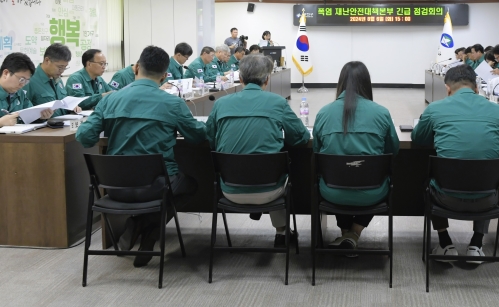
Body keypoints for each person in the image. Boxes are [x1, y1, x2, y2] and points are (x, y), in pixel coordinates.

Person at [76, 46, 208, 267]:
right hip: (156, 186)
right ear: (165, 76)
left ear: (136, 67)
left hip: (115, 187)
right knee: (191, 184)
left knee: (167, 186)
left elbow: (85, 137)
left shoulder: (110, 100)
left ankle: (138, 224)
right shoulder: (173, 103)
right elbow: (196, 137)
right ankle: (150, 232)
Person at [412, 64, 499, 263]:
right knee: (486, 176)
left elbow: (418, 139)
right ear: (476, 87)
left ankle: (445, 243)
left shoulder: (435, 109)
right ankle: (476, 245)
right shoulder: (497, 111)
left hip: (446, 198)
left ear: (447, 88)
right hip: (488, 200)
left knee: (427, 180)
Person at [206, 55, 309, 247]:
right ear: (267, 79)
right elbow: (302, 137)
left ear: (240, 79)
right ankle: (282, 231)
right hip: (270, 189)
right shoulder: (278, 103)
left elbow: (210, 139)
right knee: (280, 170)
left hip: (229, 189)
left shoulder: (221, 104)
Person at [313, 61, 400, 254]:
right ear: (367, 83)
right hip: (373, 193)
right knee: (373, 178)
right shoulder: (381, 113)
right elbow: (393, 151)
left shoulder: (324, 113)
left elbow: (317, 154)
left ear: (340, 83)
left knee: (336, 176)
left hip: (332, 192)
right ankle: (354, 233)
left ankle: (348, 235)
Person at [24, 43, 82, 117]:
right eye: (60, 67)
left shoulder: (57, 78)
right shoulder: (29, 80)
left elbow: (62, 102)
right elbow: (24, 113)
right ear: (47, 60)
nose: (62, 71)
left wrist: (72, 107)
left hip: (63, 125)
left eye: (65, 67)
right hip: (43, 127)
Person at [0, 53, 53, 126]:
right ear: (6, 73)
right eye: (21, 79)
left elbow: (29, 114)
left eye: (26, 81)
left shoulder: (20, 93)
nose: (22, 84)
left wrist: (41, 117)